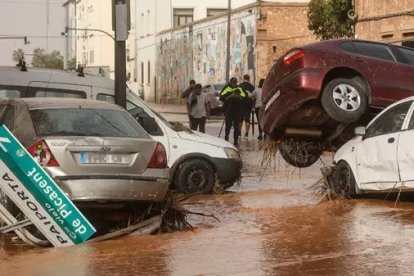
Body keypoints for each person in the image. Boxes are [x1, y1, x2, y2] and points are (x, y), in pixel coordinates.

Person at [219, 77, 246, 147]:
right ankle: (226, 139)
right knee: (228, 125)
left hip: (237, 110)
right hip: (228, 110)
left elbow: (244, 97)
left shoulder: (239, 88)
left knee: (236, 126)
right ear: (230, 83)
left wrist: (238, 96)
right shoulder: (226, 88)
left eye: (235, 82)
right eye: (233, 83)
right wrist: (230, 96)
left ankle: (235, 141)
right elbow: (221, 97)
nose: (234, 84)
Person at [239, 74, 255, 139]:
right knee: (247, 120)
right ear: (249, 79)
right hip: (248, 105)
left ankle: (239, 133)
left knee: (240, 120)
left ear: (244, 78)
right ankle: (246, 134)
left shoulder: (240, 86)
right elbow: (253, 97)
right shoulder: (252, 87)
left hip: (240, 104)